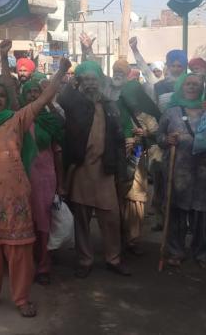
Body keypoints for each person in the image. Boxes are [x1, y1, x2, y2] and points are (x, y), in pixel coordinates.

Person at [0, 57, 70, 317]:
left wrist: (61, 72)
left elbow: (43, 99)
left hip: (15, 195)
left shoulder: (17, 120)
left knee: (19, 249)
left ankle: (21, 298)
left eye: (2, 95)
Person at [58, 60, 130, 278]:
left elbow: (118, 138)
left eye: (93, 79)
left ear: (100, 82)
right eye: (85, 79)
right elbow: (62, 97)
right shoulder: (75, 103)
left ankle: (113, 259)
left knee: (111, 218)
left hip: (104, 170)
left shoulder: (109, 105)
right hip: (81, 170)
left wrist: (121, 168)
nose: (90, 84)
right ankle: (85, 260)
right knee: (81, 219)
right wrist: (73, 80)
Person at [157, 73, 206, 269]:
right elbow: (159, 135)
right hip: (178, 171)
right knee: (177, 214)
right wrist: (166, 140)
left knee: (202, 216)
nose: (192, 87)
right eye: (188, 84)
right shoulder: (171, 112)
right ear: (181, 87)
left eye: (196, 84)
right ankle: (176, 251)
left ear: (202, 88)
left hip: (205, 171)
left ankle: (201, 252)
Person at [111, 58, 161, 256]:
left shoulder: (142, 110)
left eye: (121, 71)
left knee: (136, 199)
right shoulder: (110, 103)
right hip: (114, 157)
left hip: (137, 157)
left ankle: (133, 239)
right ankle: (117, 238)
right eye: (115, 70)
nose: (117, 73)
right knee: (116, 198)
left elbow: (157, 133)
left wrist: (142, 135)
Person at [19, 78, 64, 285]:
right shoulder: (17, 120)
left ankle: (44, 266)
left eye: (36, 92)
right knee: (25, 223)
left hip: (45, 178)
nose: (32, 95)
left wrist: (61, 183)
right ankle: (25, 266)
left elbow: (57, 153)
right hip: (21, 178)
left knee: (43, 221)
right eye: (28, 92)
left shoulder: (49, 120)